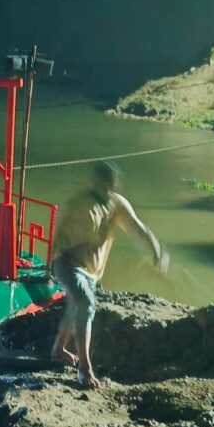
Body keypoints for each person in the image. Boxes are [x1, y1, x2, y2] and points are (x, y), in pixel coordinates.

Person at [50, 161, 168, 389]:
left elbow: (138, 228)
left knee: (75, 310)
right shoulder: (83, 204)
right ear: (94, 182)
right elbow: (61, 240)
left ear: (113, 185)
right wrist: (52, 265)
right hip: (68, 265)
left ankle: (58, 349)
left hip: (92, 272)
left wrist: (156, 250)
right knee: (85, 304)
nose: (102, 188)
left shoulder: (117, 204)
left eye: (107, 185)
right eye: (99, 183)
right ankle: (85, 369)